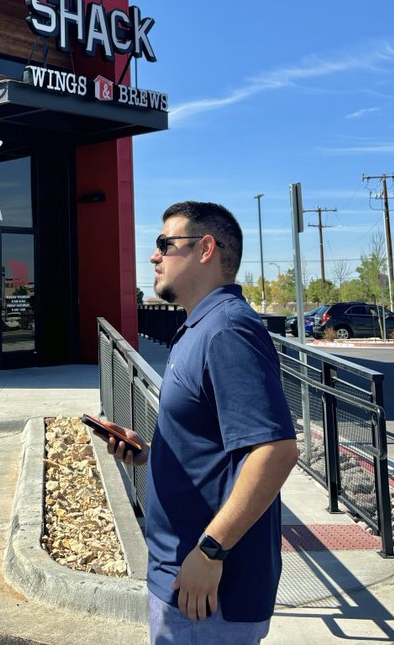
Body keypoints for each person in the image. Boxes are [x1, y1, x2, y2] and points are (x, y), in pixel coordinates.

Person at [98, 201, 298, 644]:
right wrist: (150, 454)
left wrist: (210, 552)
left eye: (165, 244)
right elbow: (214, 447)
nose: (154, 256)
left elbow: (276, 450)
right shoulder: (199, 327)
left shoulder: (227, 330)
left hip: (207, 593)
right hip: (181, 577)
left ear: (205, 248)